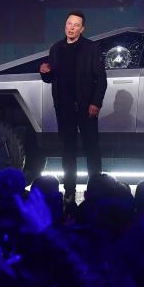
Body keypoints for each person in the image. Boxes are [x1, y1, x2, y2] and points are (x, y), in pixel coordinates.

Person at [39, 11, 107, 204]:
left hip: (86, 108)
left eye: (76, 25)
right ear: (65, 25)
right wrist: (45, 73)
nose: (71, 27)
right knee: (68, 151)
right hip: (64, 109)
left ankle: (96, 190)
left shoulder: (91, 48)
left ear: (82, 29)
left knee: (91, 149)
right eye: (69, 23)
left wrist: (96, 103)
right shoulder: (56, 49)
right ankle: (69, 192)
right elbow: (51, 77)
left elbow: (101, 78)